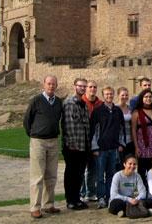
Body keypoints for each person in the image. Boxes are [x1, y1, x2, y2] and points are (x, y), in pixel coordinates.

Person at [23, 75, 63, 219]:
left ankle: (49, 204)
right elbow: (27, 120)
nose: (51, 86)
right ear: (44, 85)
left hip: (53, 141)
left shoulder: (58, 102)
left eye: (53, 84)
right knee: (37, 176)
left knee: (51, 175)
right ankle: (35, 207)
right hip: (38, 141)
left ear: (56, 85)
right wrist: (34, 134)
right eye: (49, 84)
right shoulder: (36, 100)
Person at [91, 86, 127, 209]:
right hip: (101, 149)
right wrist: (94, 147)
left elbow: (122, 129)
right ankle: (101, 197)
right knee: (100, 176)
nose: (109, 96)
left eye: (111, 94)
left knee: (111, 174)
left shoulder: (117, 111)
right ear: (103, 95)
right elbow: (93, 131)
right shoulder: (98, 111)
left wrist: (122, 144)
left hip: (114, 148)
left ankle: (109, 196)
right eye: (106, 94)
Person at [61, 78, 91, 211]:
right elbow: (68, 125)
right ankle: (70, 200)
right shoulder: (69, 103)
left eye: (84, 86)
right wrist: (71, 144)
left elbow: (86, 125)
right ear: (75, 87)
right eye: (80, 86)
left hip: (83, 145)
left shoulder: (83, 104)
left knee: (79, 174)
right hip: (73, 146)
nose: (82, 88)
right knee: (71, 173)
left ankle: (76, 199)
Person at [131, 88, 152, 179]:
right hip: (142, 145)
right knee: (142, 170)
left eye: (150, 97)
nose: (148, 98)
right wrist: (136, 147)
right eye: (146, 97)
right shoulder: (136, 112)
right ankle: (142, 189)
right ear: (142, 98)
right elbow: (133, 130)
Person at [80, 80, 102, 202]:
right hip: (82, 141)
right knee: (81, 169)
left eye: (94, 87)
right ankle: (81, 193)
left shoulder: (100, 104)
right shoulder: (81, 102)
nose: (92, 89)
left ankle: (91, 193)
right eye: (90, 87)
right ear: (86, 89)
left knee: (93, 169)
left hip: (95, 142)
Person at [116, 87, 134, 167]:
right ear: (118, 95)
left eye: (126, 95)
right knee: (120, 165)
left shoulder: (130, 108)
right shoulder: (115, 108)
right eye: (122, 95)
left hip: (130, 141)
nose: (125, 97)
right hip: (120, 141)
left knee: (129, 164)